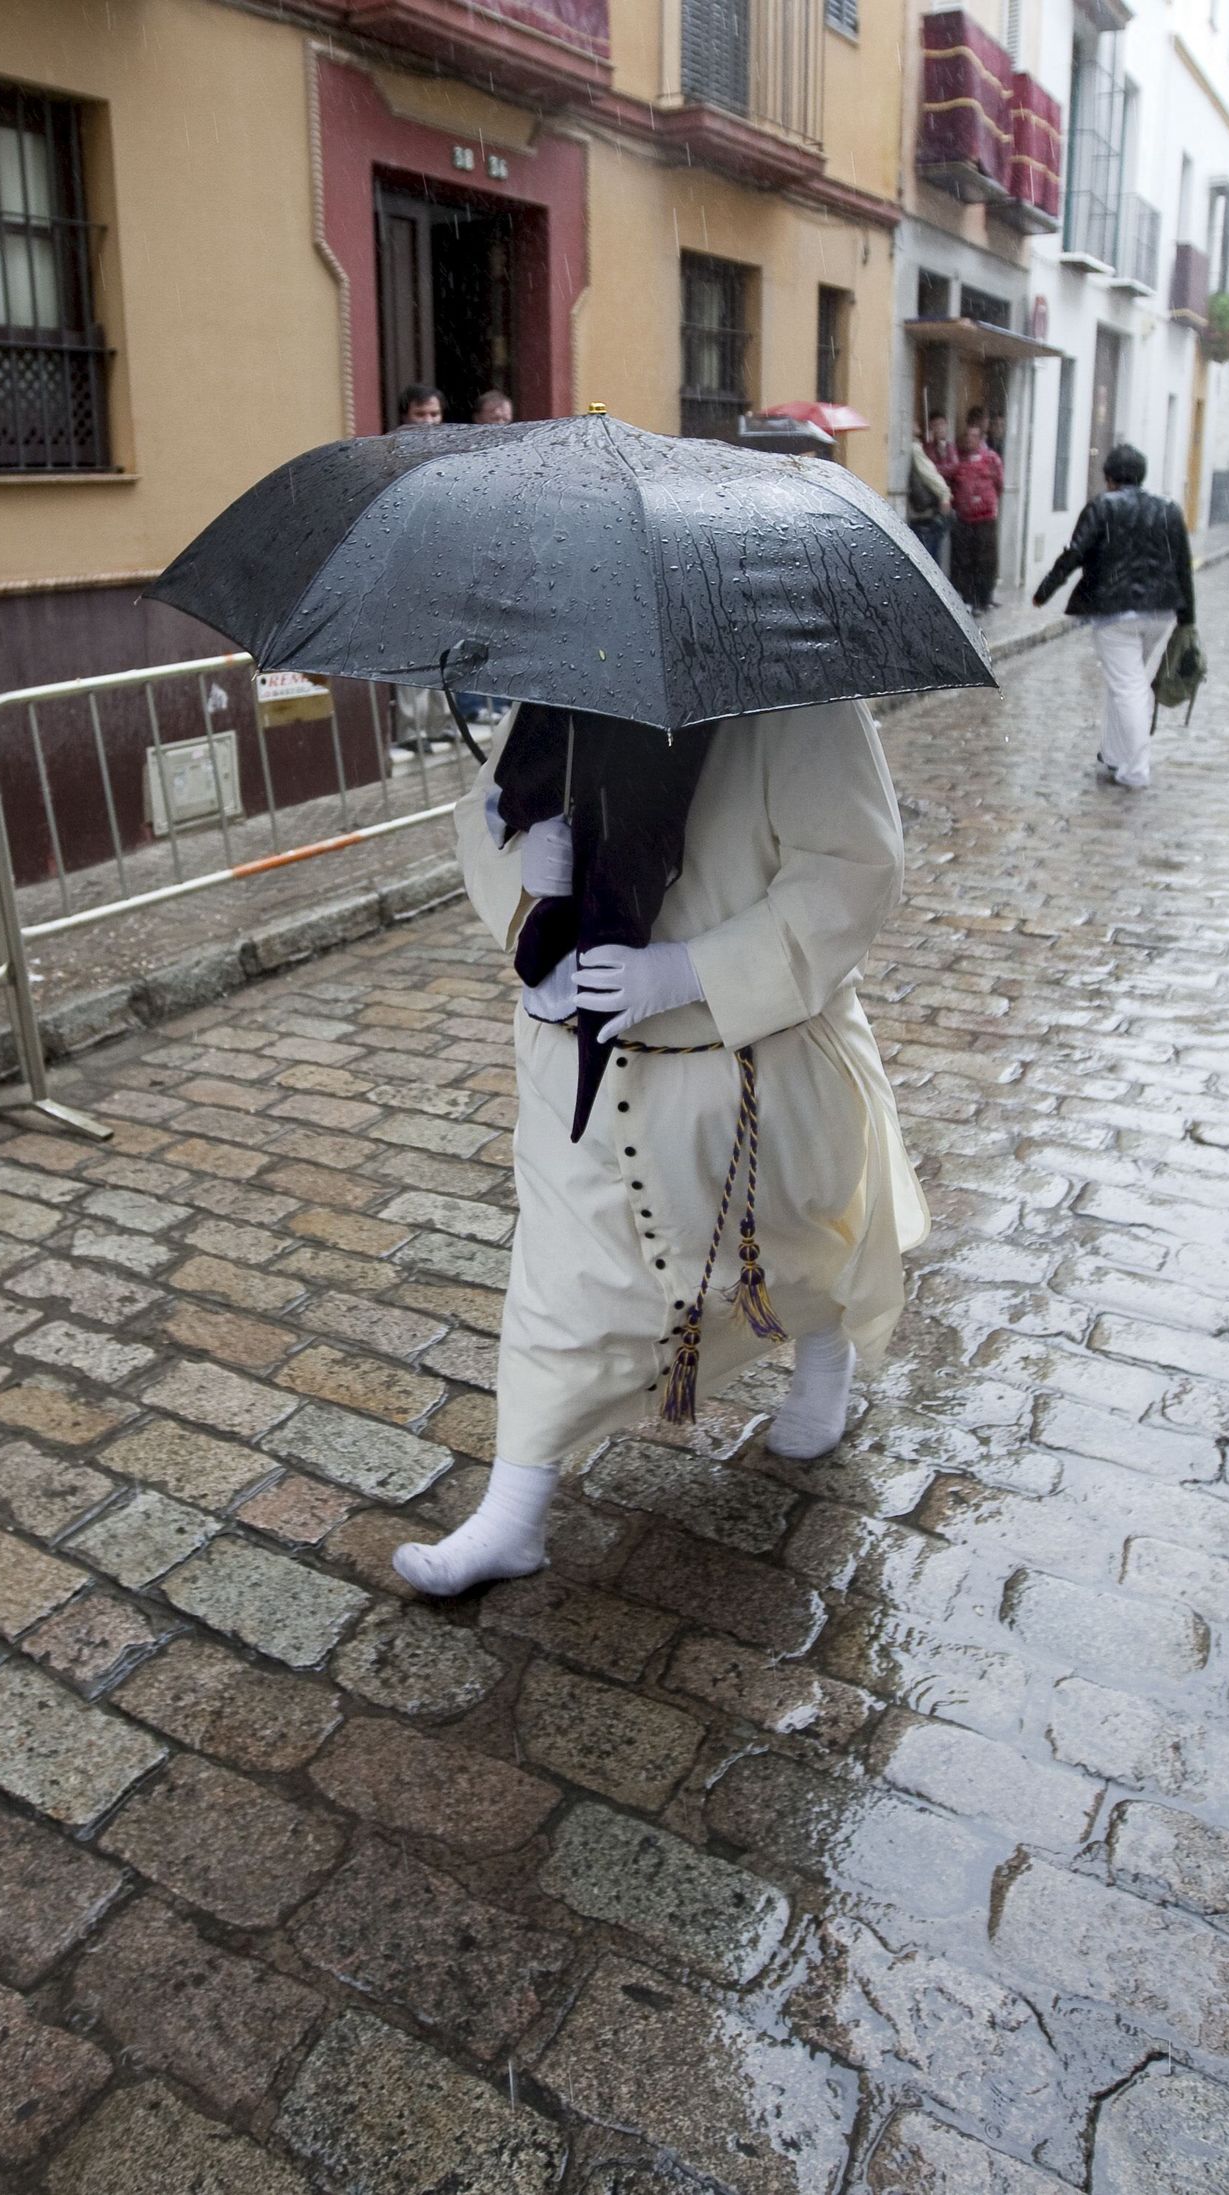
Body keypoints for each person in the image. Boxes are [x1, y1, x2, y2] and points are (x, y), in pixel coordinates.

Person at [392, 696, 929, 1597]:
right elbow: (486, 815)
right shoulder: (562, 685)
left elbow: (854, 868)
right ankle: (513, 1512)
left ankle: (823, 1352)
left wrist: (692, 969)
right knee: (563, 1283)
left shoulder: (798, 698)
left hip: (749, 1063)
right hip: (577, 1068)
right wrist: (531, 890)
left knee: (791, 1246)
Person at [1032, 442, 1194, 791]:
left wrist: (1045, 590)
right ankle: (1116, 754)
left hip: (1115, 612)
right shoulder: (1168, 509)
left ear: (1109, 478)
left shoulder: (1102, 507)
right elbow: (1183, 565)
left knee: (1128, 687)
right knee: (1126, 683)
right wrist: (1187, 617)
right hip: (1160, 610)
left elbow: (1075, 552)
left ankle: (1135, 767)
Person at [391, 384, 454, 749]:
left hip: (442, 563)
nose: (429, 422)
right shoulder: (393, 454)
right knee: (410, 649)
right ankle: (411, 729)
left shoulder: (449, 457)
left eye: (435, 414)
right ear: (405, 416)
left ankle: (440, 723)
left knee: (443, 647)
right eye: (420, 414)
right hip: (405, 566)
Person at [949, 423, 1004, 613]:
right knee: (965, 560)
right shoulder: (958, 459)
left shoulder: (991, 459)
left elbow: (999, 484)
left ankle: (984, 597)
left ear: (980, 439)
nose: (969, 440)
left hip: (985, 518)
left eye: (973, 436)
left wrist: (986, 502)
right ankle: (968, 598)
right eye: (967, 437)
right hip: (965, 518)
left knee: (985, 560)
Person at [907, 426, 953, 566]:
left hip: (923, 512)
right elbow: (930, 474)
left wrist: (944, 494)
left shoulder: (914, 447)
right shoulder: (915, 447)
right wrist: (944, 494)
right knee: (928, 559)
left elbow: (930, 474)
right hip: (922, 512)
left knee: (926, 559)